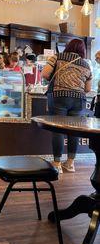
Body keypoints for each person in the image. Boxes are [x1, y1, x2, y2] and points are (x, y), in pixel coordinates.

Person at [41, 39, 92, 173]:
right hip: (78, 100)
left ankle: (57, 164)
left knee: (58, 130)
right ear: (82, 50)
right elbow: (88, 88)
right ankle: (70, 163)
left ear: (68, 46)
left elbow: (45, 74)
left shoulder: (57, 57)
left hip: (59, 97)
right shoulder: (86, 65)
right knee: (73, 130)